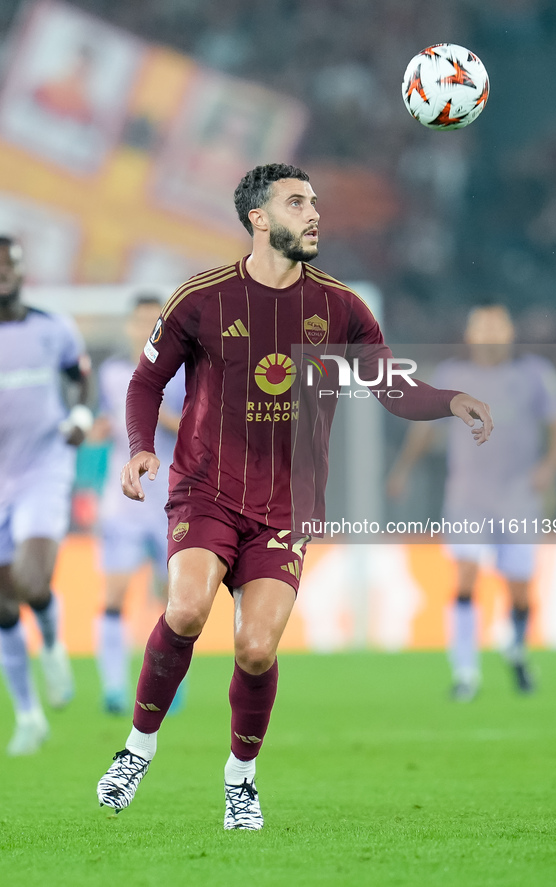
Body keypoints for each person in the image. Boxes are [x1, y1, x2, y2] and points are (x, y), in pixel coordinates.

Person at [96, 163, 493, 829]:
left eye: (314, 202)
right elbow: (144, 380)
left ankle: (240, 780)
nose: (314, 213)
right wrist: (141, 444)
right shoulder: (202, 297)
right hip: (206, 491)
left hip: (285, 506)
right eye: (297, 202)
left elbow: (390, 387)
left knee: (255, 648)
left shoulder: (339, 306)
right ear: (259, 219)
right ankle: (137, 748)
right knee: (187, 607)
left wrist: (447, 400)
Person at [388, 305, 556, 701]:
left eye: (497, 324)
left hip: (520, 497)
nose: (489, 332)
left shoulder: (535, 374)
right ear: (469, 333)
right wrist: (403, 469)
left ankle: (517, 650)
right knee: (465, 578)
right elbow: (425, 428)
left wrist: (548, 468)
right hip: (468, 497)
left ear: (510, 331)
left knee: (520, 591)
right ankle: (465, 673)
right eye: (481, 325)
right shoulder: (451, 376)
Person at [0, 236, 92, 755]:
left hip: (43, 468)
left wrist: (79, 415)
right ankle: (29, 716)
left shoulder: (51, 327)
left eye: (7, 264)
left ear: (20, 271)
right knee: (2, 609)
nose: (2, 274)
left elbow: (80, 380)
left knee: (32, 582)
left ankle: (54, 643)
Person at [89, 295, 184, 714]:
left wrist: (156, 412)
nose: (146, 326)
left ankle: (169, 684)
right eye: (140, 320)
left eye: (153, 320)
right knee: (114, 595)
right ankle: (112, 688)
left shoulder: (182, 374)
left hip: (171, 501)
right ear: (129, 326)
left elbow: (196, 429)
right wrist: (97, 429)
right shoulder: (111, 373)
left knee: (174, 604)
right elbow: (104, 423)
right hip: (123, 501)